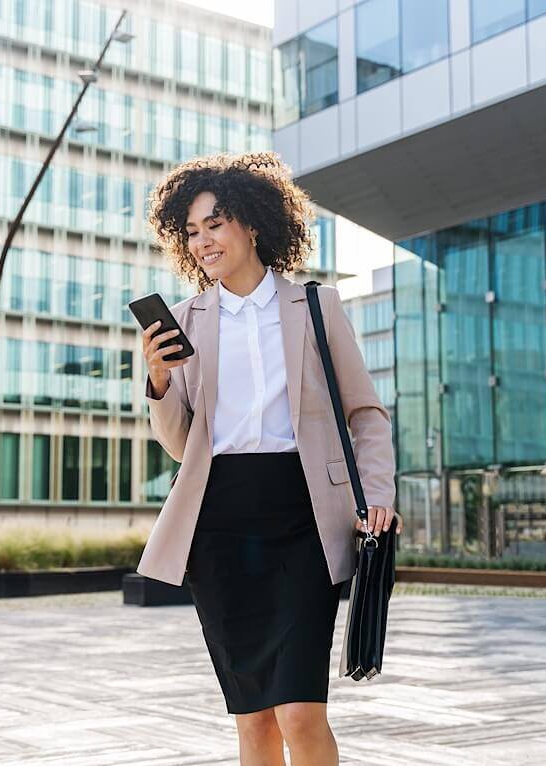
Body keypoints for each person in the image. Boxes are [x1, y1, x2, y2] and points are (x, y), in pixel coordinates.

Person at [135, 152, 399, 766]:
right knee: (253, 722)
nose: (202, 241)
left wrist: (378, 496)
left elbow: (366, 414)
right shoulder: (183, 323)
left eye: (215, 224)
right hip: (219, 526)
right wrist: (156, 381)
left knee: (301, 713)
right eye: (192, 231)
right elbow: (180, 444)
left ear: (252, 223)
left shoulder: (315, 306)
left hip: (303, 520)